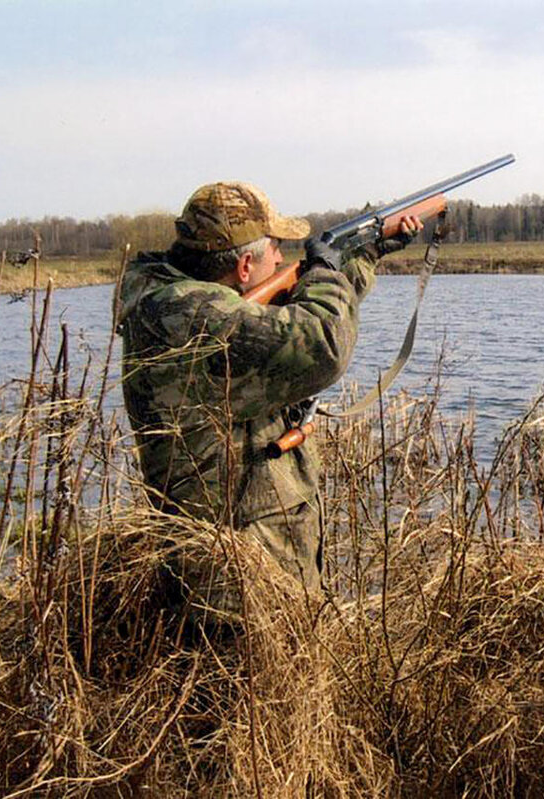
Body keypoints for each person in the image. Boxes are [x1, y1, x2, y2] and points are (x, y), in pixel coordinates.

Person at [115, 181, 420, 604]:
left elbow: (287, 318)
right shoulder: (196, 317)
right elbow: (321, 342)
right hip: (238, 572)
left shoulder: (168, 301)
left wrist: (365, 252)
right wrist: (326, 270)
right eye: (275, 247)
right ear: (243, 266)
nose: (280, 258)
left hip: (226, 551)